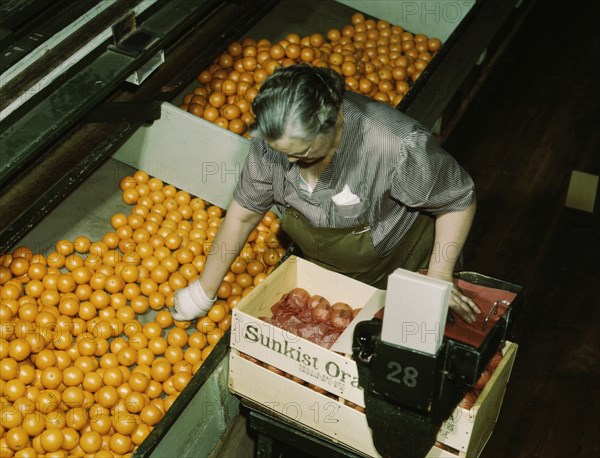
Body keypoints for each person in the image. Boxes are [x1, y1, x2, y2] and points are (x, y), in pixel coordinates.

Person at [172, 64, 480, 324]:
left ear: (333, 123)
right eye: (280, 151)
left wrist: (439, 273)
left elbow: (457, 200)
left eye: (301, 153)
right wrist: (203, 290)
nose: (288, 162)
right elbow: (244, 214)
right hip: (330, 272)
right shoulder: (276, 142)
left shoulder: (393, 146)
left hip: (402, 262)